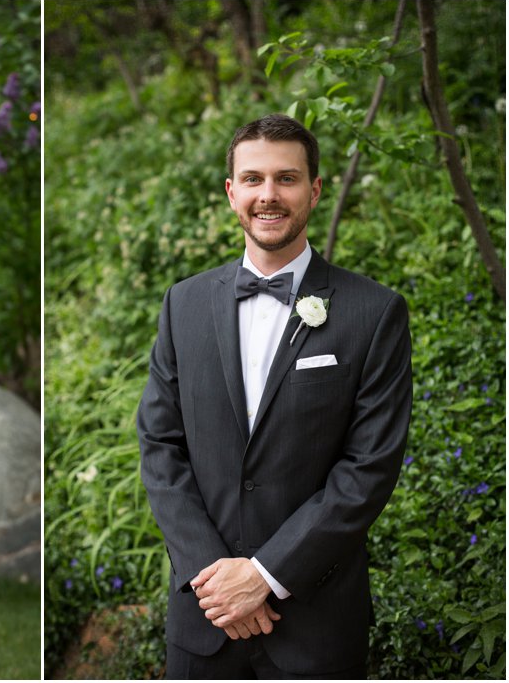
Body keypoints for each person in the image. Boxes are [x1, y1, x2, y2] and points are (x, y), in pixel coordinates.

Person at [137, 114, 412, 679]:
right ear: (231, 192)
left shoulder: (373, 313)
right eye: (254, 179)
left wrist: (263, 575)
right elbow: (160, 445)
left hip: (316, 624)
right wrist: (216, 575)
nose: (269, 195)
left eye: (286, 179)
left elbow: (369, 467)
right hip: (204, 617)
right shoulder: (182, 305)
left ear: (313, 190)